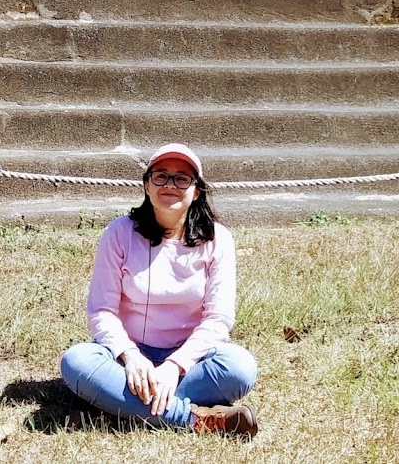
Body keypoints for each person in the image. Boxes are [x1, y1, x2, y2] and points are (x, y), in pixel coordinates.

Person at [60, 143, 258, 438]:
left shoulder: (218, 239)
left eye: (182, 179)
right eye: (161, 176)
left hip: (190, 360)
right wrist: (131, 356)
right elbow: (102, 311)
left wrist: (174, 366)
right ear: (147, 185)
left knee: (240, 368)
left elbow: (218, 319)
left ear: (196, 191)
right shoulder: (119, 233)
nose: (170, 185)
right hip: (125, 359)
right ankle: (196, 420)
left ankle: (114, 405)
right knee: (77, 362)